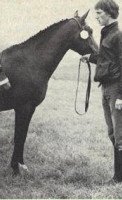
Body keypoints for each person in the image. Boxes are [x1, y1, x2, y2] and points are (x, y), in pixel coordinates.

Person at [82, 0, 122, 184]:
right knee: (113, 133)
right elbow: (105, 58)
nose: (96, 17)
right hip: (106, 87)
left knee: (120, 134)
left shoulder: (118, 36)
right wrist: (89, 57)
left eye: (99, 13)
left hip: (116, 89)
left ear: (109, 13)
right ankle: (118, 176)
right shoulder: (107, 34)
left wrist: (121, 95)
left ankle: (118, 178)